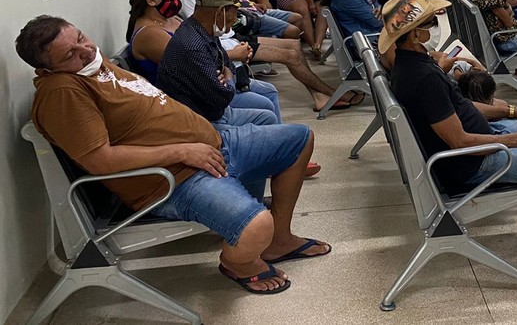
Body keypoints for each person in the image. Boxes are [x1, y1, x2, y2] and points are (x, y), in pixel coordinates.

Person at [17, 15, 329, 295]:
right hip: (174, 181)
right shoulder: (62, 91)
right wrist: (182, 150)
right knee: (257, 228)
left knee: (299, 139)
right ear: (46, 68)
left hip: (215, 145)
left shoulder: (92, 66)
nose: (85, 51)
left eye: (81, 38)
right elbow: (101, 160)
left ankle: (280, 240)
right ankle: (240, 264)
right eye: (70, 54)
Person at [382, 0, 517, 289]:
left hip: (478, 142)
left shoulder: (416, 62)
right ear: (414, 32)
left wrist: (512, 112)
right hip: (472, 162)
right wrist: (515, 139)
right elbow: (458, 141)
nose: (435, 27)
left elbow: (458, 109)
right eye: (431, 22)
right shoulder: (423, 77)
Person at [181, 0, 346, 112]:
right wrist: (232, 48)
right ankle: (329, 93)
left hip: (232, 35)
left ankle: (319, 96)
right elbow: (202, 28)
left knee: (294, 45)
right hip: (225, 42)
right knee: (290, 55)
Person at [126, 0, 284, 125]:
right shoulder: (149, 34)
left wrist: (225, 69)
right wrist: (227, 73)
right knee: (265, 107)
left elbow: (215, 57)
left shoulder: (174, 21)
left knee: (270, 92)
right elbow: (194, 62)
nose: (176, 0)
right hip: (192, 99)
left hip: (207, 83)